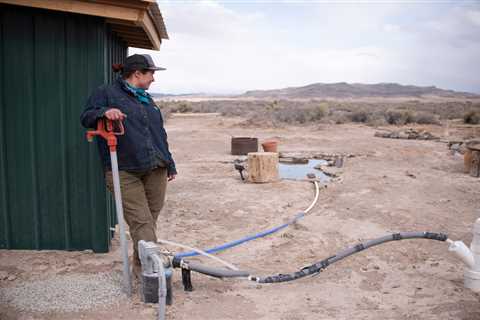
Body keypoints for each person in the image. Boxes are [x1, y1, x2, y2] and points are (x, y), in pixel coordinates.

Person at [80, 54, 176, 278]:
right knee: (141, 222)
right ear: (137, 74)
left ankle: (140, 266)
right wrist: (104, 112)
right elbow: (86, 116)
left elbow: (159, 134)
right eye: (151, 73)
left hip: (156, 167)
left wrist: (169, 163)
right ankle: (150, 275)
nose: (154, 78)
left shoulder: (147, 99)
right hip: (124, 169)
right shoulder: (106, 93)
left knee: (148, 222)